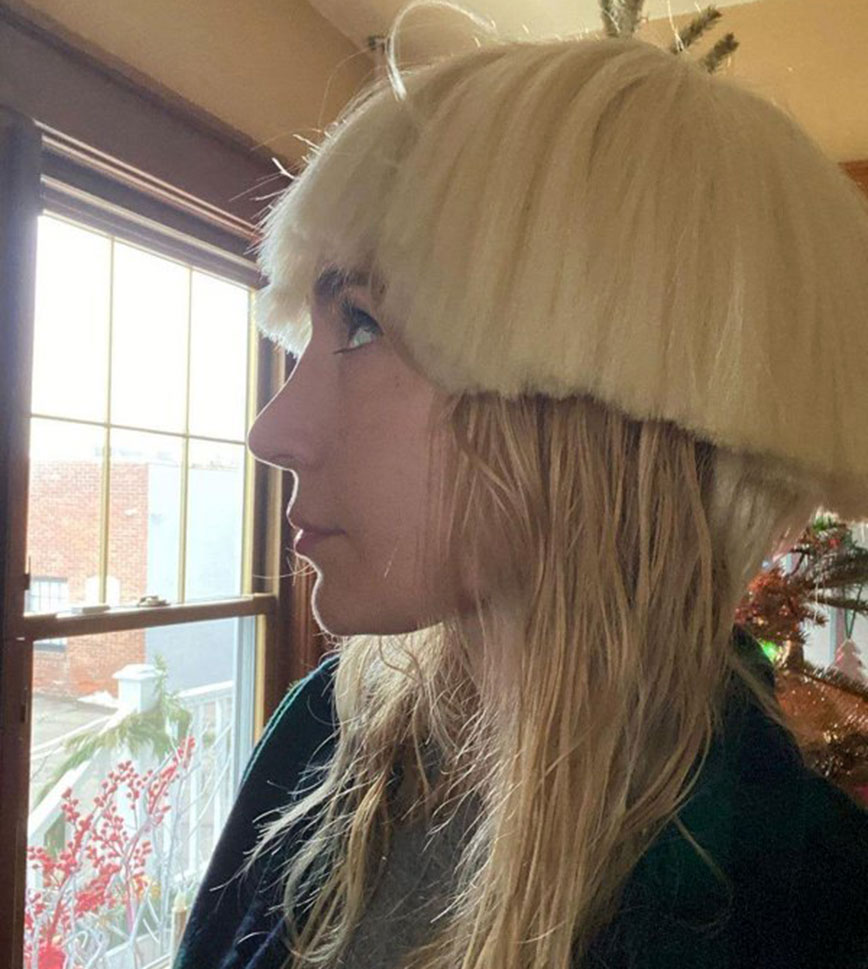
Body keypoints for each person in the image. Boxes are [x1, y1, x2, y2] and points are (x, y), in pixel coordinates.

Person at [173, 4, 868, 968]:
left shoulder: (804, 901)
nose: (271, 431)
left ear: (587, 401)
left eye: (362, 325)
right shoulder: (322, 736)